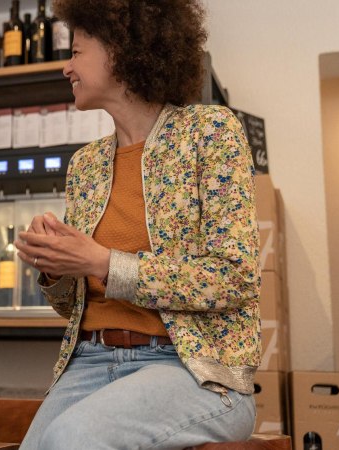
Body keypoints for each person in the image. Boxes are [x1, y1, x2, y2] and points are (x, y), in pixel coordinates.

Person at [14, 1, 261, 448]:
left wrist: (106, 262)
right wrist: (55, 266)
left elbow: (234, 276)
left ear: (120, 51)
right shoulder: (85, 165)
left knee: (73, 437)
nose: (66, 68)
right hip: (88, 360)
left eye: (76, 52)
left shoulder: (211, 133)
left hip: (194, 369)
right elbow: (73, 308)